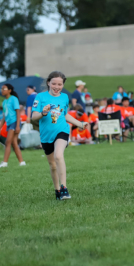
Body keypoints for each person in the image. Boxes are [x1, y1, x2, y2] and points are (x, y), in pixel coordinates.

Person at [32, 71, 89, 201]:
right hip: (46, 135)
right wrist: (43, 113)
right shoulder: (40, 97)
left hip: (62, 130)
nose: (57, 87)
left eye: (60, 84)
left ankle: (64, 188)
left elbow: (65, 115)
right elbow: (33, 117)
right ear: (48, 83)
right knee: (52, 165)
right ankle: (57, 190)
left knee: (58, 155)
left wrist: (79, 124)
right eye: (54, 84)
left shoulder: (64, 97)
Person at [0, 84, 26, 168]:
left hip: (14, 122)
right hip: (9, 123)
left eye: (4, 89)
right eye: (1, 89)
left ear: (9, 90)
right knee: (14, 143)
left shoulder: (14, 99)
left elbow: (18, 112)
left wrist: (18, 126)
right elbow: (5, 116)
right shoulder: (4, 102)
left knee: (7, 142)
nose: (2, 90)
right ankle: (22, 162)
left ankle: (4, 163)